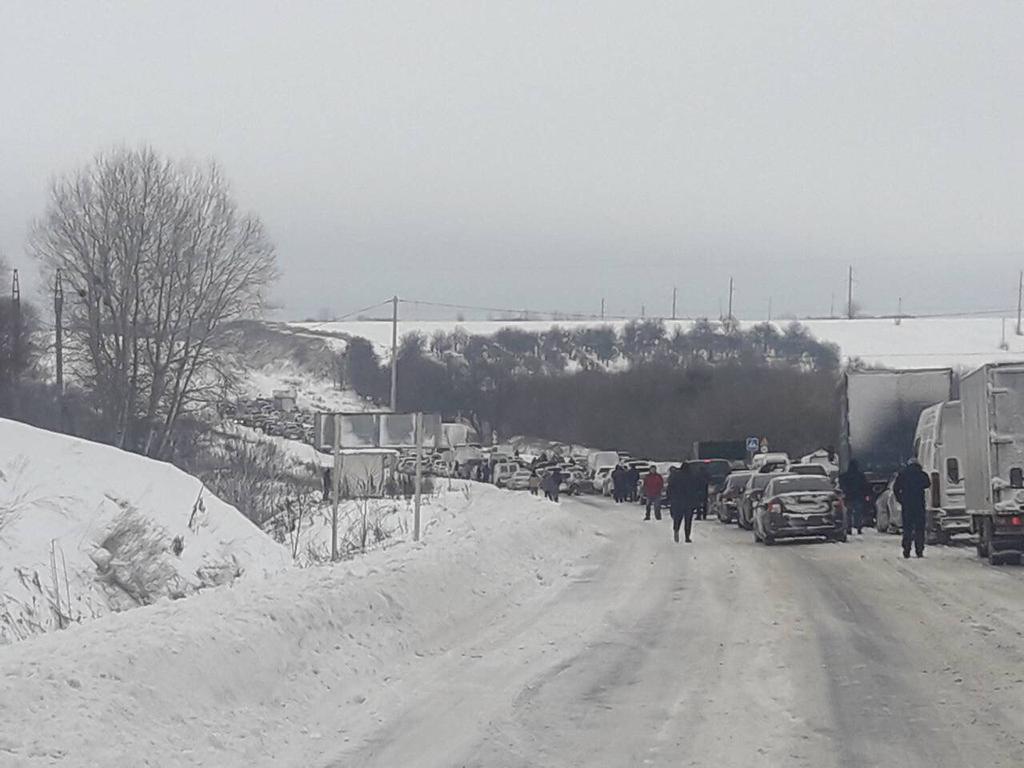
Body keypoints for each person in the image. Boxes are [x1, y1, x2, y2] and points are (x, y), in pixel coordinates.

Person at [894, 459, 930, 558]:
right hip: (919, 504)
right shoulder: (922, 474)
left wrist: (900, 499)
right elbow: (928, 484)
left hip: (907, 504)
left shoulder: (903, 474)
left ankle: (906, 549)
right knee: (919, 528)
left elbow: (896, 488)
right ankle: (919, 549)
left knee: (907, 528)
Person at [666, 463, 703, 543]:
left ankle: (676, 530)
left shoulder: (675, 476)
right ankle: (687, 536)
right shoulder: (692, 476)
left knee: (677, 518)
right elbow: (697, 488)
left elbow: (670, 487)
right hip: (689, 501)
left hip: (677, 501)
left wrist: (669, 498)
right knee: (688, 520)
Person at [838, 459, 871, 534]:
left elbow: (842, 485)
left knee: (849, 513)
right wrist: (866, 495)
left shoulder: (845, 476)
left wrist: (845, 492)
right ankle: (858, 527)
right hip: (858, 496)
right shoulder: (860, 475)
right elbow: (865, 486)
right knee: (858, 513)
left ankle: (849, 528)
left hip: (849, 496)